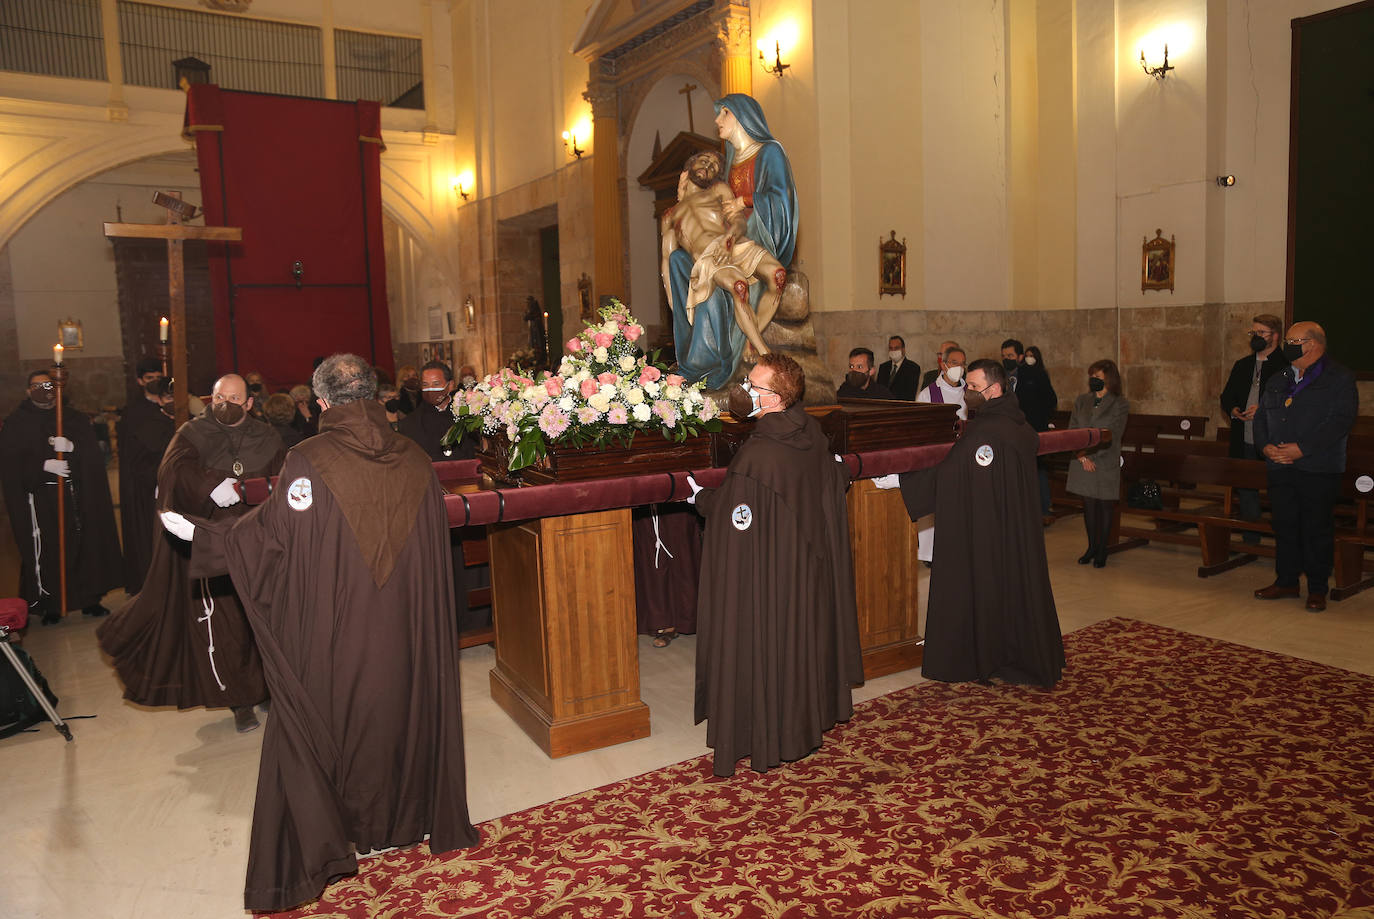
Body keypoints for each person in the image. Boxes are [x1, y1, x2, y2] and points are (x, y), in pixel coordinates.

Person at [159, 353, 481, 911]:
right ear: (376, 396)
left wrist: (210, 538)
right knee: (404, 707)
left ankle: (345, 829)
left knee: (337, 713)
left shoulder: (307, 459)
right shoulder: (413, 456)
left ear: (323, 402)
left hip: (343, 624)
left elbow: (275, 537)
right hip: (409, 626)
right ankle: (409, 817)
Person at [690, 353, 862, 777]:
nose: (744, 391)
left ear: (776, 398)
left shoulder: (759, 455)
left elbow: (734, 510)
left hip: (771, 570)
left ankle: (766, 731)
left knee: (766, 639)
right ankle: (803, 720)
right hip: (805, 568)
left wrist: (698, 498)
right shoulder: (812, 432)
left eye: (754, 385)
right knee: (798, 640)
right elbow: (829, 480)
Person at [97, 373, 282, 733]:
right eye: (218, 398)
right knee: (227, 623)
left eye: (233, 398)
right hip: (213, 539)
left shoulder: (269, 436)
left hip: (256, 539)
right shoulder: (192, 433)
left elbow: (285, 477)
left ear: (249, 403)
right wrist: (210, 484)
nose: (224, 404)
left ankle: (267, 688)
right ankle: (239, 699)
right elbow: (172, 470)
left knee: (261, 618)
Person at [878, 359, 1064, 687]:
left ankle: (988, 656)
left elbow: (954, 473)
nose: (968, 392)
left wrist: (901, 482)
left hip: (990, 530)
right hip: (1014, 527)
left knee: (987, 583)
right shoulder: (1018, 423)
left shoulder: (990, 430)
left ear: (994, 390)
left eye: (974, 387)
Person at [667, 93, 798, 390]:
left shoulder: (769, 152)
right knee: (686, 265)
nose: (716, 121)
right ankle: (744, 350)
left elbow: (781, 196)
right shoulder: (725, 168)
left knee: (777, 276)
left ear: (740, 116)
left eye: (723, 113)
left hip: (757, 236)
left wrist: (745, 201)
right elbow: (709, 208)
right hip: (725, 244)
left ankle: (753, 341)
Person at [0, 371, 122, 624]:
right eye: (37, 385)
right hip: (41, 499)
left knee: (83, 545)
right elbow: (10, 465)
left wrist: (72, 449)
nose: (44, 389)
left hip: (75, 495)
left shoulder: (74, 419)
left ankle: (89, 599)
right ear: (27, 391)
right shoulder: (17, 423)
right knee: (49, 550)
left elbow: (93, 458)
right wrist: (42, 466)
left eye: (49, 385)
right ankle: (52, 604)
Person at [1253, 321, 1357, 613]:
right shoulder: (1279, 378)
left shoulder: (1339, 378)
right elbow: (1261, 418)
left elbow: (1339, 421)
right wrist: (1266, 447)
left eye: (1292, 340)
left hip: (1318, 467)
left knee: (1316, 529)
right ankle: (1286, 580)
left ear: (1311, 344)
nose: (1287, 345)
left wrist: (1302, 449)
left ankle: (1317, 589)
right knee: (1284, 525)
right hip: (1280, 467)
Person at [660, 149, 786, 360]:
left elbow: (738, 221)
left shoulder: (719, 190)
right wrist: (676, 307)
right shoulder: (670, 215)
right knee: (739, 287)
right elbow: (668, 261)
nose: (707, 167)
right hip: (710, 257)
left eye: (714, 167)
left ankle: (750, 340)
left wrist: (730, 237)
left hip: (733, 243)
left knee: (778, 276)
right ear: (690, 165)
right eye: (703, 160)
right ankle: (766, 355)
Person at [1219, 314, 1289, 544]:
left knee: (1279, 492)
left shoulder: (1286, 366)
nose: (1256, 337)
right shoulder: (1243, 365)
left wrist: (1264, 408)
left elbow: (1292, 401)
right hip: (1244, 438)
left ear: (1275, 336)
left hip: (1273, 441)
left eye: (1261, 333)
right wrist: (1234, 410)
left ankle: (1284, 541)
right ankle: (1251, 540)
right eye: (1254, 332)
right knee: (1247, 491)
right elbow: (1227, 396)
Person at [1066, 359, 1128, 568]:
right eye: (1092, 377)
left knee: (1104, 505)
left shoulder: (1119, 403)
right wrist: (1082, 456)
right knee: (1089, 506)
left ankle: (1103, 549)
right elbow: (1073, 429)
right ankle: (1091, 546)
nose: (1093, 381)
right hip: (1082, 460)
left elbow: (1113, 433)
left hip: (1104, 460)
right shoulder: (1082, 400)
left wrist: (1092, 457)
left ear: (1109, 380)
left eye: (1098, 378)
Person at [118, 373, 175, 593]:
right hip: (156, 494)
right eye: (168, 399)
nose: (173, 403)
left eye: (176, 397)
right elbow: (139, 465)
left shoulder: (192, 421)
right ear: (160, 400)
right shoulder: (148, 427)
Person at [914, 346, 968, 565]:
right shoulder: (928, 394)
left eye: (962, 363)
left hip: (964, 457)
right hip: (937, 458)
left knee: (962, 507)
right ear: (943, 364)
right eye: (954, 362)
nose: (959, 368)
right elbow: (919, 429)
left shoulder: (971, 393)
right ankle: (930, 554)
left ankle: (961, 548)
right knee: (933, 506)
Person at [397, 360, 474, 461]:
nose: (430, 389)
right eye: (425, 385)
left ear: (450, 385)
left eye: (436, 384)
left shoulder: (469, 414)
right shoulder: (410, 424)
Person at [1016, 345, 1059, 520]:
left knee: (1039, 467)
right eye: (1027, 355)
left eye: (1032, 356)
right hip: (1023, 426)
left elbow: (1050, 399)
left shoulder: (1041, 375)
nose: (1029, 358)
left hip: (1038, 426)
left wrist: (1044, 418)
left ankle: (1044, 506)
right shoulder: (1021, 374)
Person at [876, 335, 921, 401]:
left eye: (896, 348)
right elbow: (879, 390)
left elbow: (910, 394)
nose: (893, 351)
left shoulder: (913, 368)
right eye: (891, 348)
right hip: (883, 406)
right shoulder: (883, 367)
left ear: (903, 349)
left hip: (902, 407)